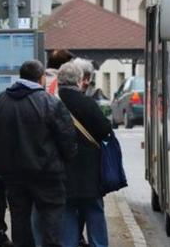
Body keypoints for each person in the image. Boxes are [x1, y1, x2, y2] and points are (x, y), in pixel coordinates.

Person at [0, 60, 77, 247]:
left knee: (20, 219)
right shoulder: (50, 104)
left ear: (20, 77)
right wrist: (66, 162)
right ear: (41, 78)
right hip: (47, 173)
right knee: (51, 220)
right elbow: (67, 139)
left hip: (12, 174)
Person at [56, 62, 113, 247]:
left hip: (62, 170)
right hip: (89, 171)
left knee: (67, 211)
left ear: (58, 81)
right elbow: (105, 130)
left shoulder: (52, 104)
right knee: (94, 212)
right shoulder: (88, 103)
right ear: (79, 81)